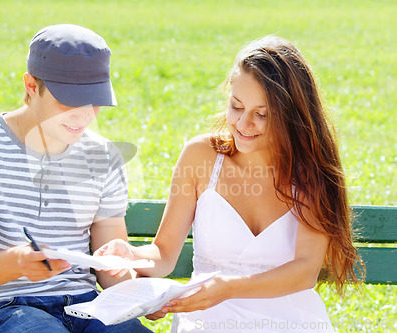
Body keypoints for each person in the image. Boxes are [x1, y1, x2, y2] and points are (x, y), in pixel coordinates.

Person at [95, 36, 364, 332]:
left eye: (261, 114)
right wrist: (132, 255)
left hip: (291, 321)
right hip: (209, 322)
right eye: (236, 107)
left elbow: (305, 271)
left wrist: (229, 287)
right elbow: (163, 254)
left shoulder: (311, 174)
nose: (243, 124)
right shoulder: (200, 157)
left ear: (291, 116)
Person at [0, 24, 152, 333]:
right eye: (68, 101)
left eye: (93, 101)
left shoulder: (103, 157)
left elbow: (109, 274)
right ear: (30, 86)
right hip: (3, 305)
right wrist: (16, 262)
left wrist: (139, 285)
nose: (84, 115)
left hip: (87, 304)